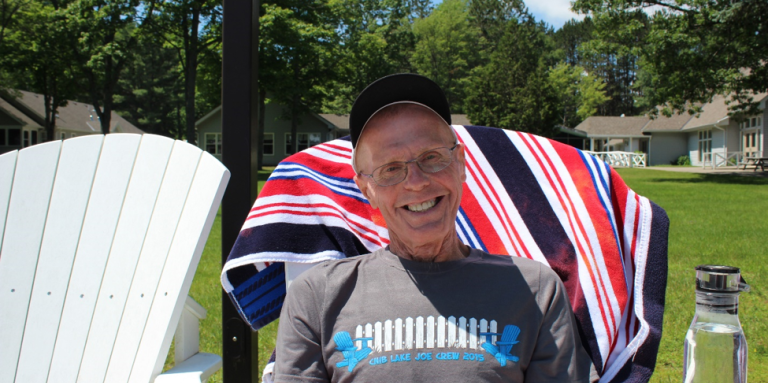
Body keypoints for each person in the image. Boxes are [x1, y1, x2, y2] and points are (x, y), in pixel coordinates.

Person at [273, 74, 597, 382]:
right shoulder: (317, 297)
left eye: (431, 157)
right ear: (366, 188)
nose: (416, 182)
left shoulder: (535, 291)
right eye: (390, 169)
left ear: (460, 163)